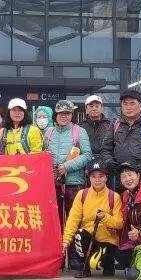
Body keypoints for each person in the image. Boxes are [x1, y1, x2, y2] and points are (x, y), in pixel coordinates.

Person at [61, 162, 123, 278]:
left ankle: (108, 265)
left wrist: (105, 217)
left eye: (101, 176)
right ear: (89, 178)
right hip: (89, 238)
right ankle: (85, 267)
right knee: (79, 234)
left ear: (106, 177)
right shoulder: (82, 194)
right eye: (93, 176)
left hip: (108, 240)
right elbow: (73, 220)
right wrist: (66, 241)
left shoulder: (114, 196)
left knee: (106, 269)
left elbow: (119, 223)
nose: (97, 180)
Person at [44, 100, 92, 237]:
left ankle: (74, 255)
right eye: (61, 113)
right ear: (56, 115)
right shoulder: (49, 132)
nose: (64, 116)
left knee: (74, 221)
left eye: (67, 113)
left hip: (74, 184)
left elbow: (87, 155)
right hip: (53, 185)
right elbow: (42, 153)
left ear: (72, 115)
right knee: (54, 221)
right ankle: (57, 252)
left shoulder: (79, 132)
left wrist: (67, 166)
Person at [80, 95, 115, 186]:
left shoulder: (111, 125)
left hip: (106, 164)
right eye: (91, 106)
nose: (94, 108)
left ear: (102, 108)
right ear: (86, 109)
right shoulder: (80, 127)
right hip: (87, 166)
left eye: (97, 106)